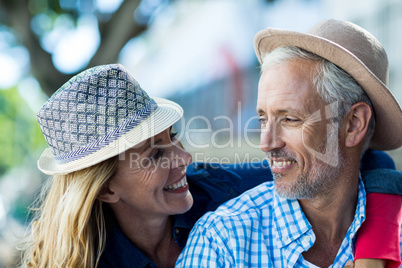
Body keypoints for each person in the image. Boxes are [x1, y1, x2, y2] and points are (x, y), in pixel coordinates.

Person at [18, 63, 399, 268]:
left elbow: (362, 160)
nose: (183, 159)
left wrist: (372, 254)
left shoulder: (216, 190)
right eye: (154, 156)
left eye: (174, 138)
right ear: (105, 189)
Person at [176, 19, 402, 268]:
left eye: (290, 119)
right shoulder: (222, 242)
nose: (266, 143)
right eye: (263, 118)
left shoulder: (394, 231)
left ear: (353, 124)